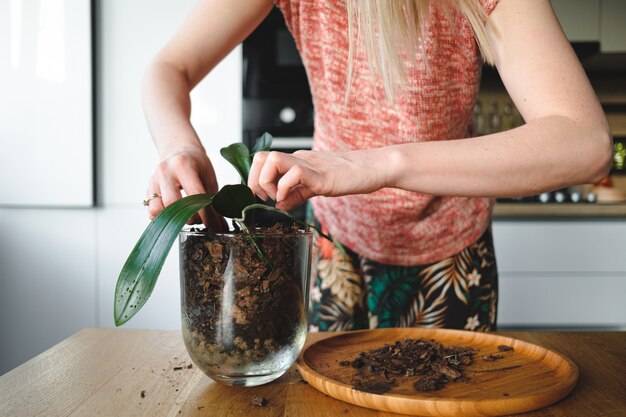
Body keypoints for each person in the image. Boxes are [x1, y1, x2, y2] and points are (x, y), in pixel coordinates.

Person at [142, 0, 612, 332]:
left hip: (451, 259)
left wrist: (378, 163)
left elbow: (586, 143)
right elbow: (169, 68)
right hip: (334, 252)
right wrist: (179, 147)